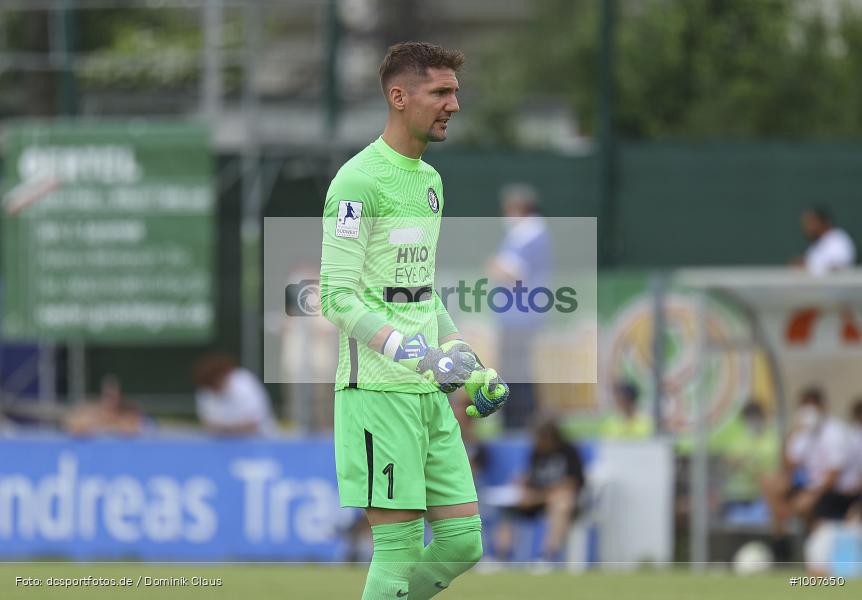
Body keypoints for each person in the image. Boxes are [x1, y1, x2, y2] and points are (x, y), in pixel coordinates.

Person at [318, 42, 510, 599]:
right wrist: (417, 354)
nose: (454, 103)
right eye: (441, 92)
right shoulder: (357, 183)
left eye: (455, 91)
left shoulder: (430, 183)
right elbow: (337, 298)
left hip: (428, 394)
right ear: (399, 97)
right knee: (398, 552)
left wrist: (470, 367)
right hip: (378, 393)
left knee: (462, 544)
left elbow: (424, 298)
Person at [763, 388, 859, 558]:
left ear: (823, 407)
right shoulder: (804, 434)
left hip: (837, 491)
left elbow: (834, 475)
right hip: (811, 487)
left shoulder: (835, 432)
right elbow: (787, 467)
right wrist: (793, 433)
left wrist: (812, 495)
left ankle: (811, 551)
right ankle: (780, 542)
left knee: (808, 504)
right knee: (772, 484)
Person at [487, 183, 552, 430]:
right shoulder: (524, 234)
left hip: (521, 316)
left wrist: (495, 266)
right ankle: (516, 419)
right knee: (514, 367)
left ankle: (520, 421)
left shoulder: (531, 234)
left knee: (517, 369)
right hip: (516, 315)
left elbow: (511, 272)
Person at [491, 418, 585, 564]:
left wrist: (538, 497)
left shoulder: (569, 451)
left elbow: (571, 484)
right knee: (508, 508)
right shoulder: (536, 452)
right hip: (536, 500)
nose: (536, 442)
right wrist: (522, 485)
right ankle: (501, 556)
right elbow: (531, 478)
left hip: (562, 502)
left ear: (550, 437)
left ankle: (547, 556)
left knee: (561, 502)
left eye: (539, 438)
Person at [194, 354, 276, 436]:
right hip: (222, 443)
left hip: (258, 439)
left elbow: (255, 422)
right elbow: (208, 424)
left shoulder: (244, 383)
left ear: (221, 377)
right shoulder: (205, 391)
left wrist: (227, 428)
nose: (214, 390)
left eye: (215, 384)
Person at [63, 374, 144, 436]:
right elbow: (72, 424)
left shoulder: (126, 413)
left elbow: (132, 429)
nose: (111, 401)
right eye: (108, 396)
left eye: (113, 396)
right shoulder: (93, 413)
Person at [799, 206, 857, 275]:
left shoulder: (838, 239)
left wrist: (810, 268)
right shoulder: (813, 248)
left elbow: (838, 268)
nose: (807, 227)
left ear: (822, 222)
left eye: (811, 222)